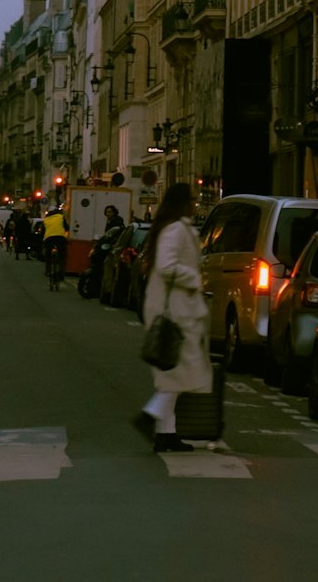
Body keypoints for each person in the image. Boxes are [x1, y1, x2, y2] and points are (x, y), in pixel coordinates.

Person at [132, 182, 212, 454]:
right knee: (182, 371)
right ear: (183, 202)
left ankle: (165, 432)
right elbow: (167, 266)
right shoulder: (176, 230)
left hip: (175, 307)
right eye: (192, 199)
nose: (196, 203)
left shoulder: (175, 228)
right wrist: (193, 280)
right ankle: (153, 418)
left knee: (173, 372)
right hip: (174, 309)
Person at [42, 203, 69, 283]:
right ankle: (61, 274)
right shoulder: (61, 217)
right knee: (62, 256)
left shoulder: (46, 219)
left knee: (48, 254)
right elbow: (66, 227)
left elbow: (43, 231)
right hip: (60, 238)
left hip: (49, 238)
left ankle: (48, 271)